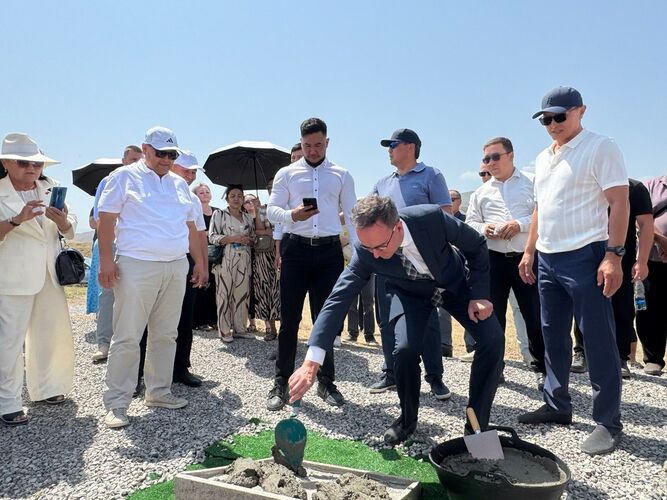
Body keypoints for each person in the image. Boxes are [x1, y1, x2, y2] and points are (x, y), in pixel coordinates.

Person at [288, 195, 504, 445]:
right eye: (368, 248)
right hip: (409, 293)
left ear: (398, 227)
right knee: (404, 351)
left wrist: (479, 295)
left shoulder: (431, 218)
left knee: (492, 340)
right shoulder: (367, 250)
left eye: (380, 247)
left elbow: (476, 244)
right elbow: (337, 299)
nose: (375, 255)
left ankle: (477, 427)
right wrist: (312, 361)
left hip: (454, 285)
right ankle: (407, 420)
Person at [519, 87, 629, 455]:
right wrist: (529, 251)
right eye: (545, 119)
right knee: (552, 335)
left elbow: (619, 202)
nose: (553, 124)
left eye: (559, 116)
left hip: (586, 254)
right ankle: (557, 404)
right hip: (548, 257)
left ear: (581, 111)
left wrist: (613, 255)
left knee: (597, 339)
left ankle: (608, 422)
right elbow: (540, 208)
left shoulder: (600, 147)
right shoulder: (543, 158)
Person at [98, 126, 207, 429]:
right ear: (146, 149)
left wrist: (200, 263)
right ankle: (117, 402)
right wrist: (106, 261)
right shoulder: (123, 177)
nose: (166, 159)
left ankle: (158, 391)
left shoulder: (179, 184)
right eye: (161, 153)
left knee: (166, 333)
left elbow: (190, 227)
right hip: (136, 264)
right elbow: (106, 219)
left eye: (172, 154)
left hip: (175, 265)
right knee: (127, 335)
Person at [266, 118, 357, 411]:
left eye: (318, 145)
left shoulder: (342, 174)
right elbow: (271, 211)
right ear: (301, 143)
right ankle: (281, 382)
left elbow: (352, 215)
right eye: (307, 145)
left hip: (329, 253)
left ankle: (326, 382)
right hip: (295, 250)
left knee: (325, 321)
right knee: (289, 320)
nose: (313, 150)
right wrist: (292, 215)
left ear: (327, 142)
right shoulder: (286, 173)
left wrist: (358, 253)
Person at [0, 133, 77, 425]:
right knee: (9, 342)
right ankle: (7, 401)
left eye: (37, 163)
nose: (32, 168)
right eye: (24, 163)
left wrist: (63, 222)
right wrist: (16, 220)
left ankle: (48, 387)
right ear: (6, 163)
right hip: (12, 276)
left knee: (50, 333)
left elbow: (69, 227)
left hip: (49, 274)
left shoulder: (50, 187)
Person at [371, 128, 452, 401]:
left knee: (428, 319)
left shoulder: (431, 175)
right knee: (386, 319)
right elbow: (370, 215)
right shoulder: (382, 183)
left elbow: (444, 215)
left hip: (420, 262)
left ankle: (435, 377)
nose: (389, 150)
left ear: (410, 147)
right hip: (387, 259)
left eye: (393, 145)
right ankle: (391, 372)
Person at [465, 137, 546, 390]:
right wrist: (484, 228)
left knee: (535, 316)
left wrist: (519, 225)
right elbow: (470, 223)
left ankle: (542, 368)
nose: (490, 163)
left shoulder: (533, 182)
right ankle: (494, 368)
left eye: (495, 157)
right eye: (486, 159)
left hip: (526, 258)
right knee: (493, 318)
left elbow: (544, 214)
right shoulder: (480, 193)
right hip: (493, 261)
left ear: (511, 155)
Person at [571, 179, 654, 378]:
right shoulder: (587, 184)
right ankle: (581, 352)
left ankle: (621, 357)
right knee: (583, 304)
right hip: (586, 255)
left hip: (620, 258)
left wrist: (642, 261)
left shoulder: (635, 188)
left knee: (622, 307)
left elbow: (646, 224)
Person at [91, 145, 143, 363]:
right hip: (113, 243)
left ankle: (131, 344)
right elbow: (98, 219)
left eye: (139, 160)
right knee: (108, 294)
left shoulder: (146, 183)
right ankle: (104, 343)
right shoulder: (110, 181)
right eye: (132, 159)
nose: (136, 164)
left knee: (136, 294)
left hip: (137, 248)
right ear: (123, 160)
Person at [170, 152, 208, 387]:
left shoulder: (193, 199)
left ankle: (180, 367)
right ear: (173, 167)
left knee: (185, 316)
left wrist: (202, 265)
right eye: (186, 170)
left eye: (193, 172)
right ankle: (141, 371)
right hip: (162, 258)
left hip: (187, 258)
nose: (190, 176)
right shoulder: (158, 191)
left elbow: (200, 235)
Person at [209, 185, 255, 342]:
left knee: (242, 294)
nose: (236, 198)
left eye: (239, 196)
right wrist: (233, 238)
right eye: (233, 195)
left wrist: (249, 240)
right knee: (224, 294)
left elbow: (253, 238)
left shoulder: (247, 217)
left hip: (244, 259)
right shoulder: (219, 214)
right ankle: (224, 331)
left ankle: (240, 329)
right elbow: (212, 237)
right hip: (226, 259)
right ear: (227, 198)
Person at [636, 174, 667, 376]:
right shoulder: (651, 186)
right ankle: (653, 358)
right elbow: (638, 218)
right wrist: (660, 240)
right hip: (652, 259)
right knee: (650, 309)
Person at [245, 192, 281, 341]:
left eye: (252, 200)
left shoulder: (267, 212)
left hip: (273, 254)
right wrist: (263, 232)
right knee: (264, 292)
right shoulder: (244, 218)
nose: (250, 203)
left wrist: (262, 231)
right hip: (256, 258)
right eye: (247, 201)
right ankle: (271, 329)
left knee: (278, 291)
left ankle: (284, 329)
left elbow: (277, 231)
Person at [192, 182, 219, 331]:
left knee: (214, 287)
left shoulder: (217, 212)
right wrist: (205, 234)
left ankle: (214, 319)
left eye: (207, 192)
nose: (205, 194)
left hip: (216, 254)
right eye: (201, 192)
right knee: (200, 286)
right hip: (199, 252)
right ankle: (199, 321)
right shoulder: (193, 212)